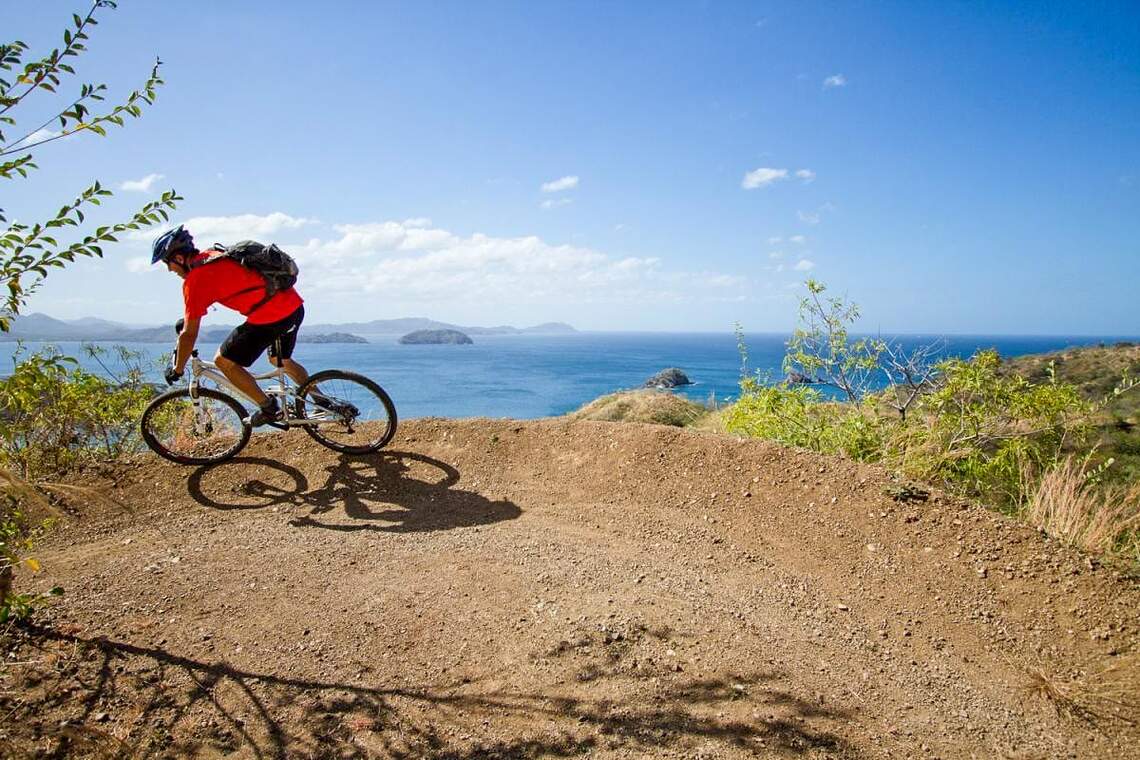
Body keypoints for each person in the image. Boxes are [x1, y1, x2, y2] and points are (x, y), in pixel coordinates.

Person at [152, 225, 307, 426]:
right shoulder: (214, 254)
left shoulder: (195, 280)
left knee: (224, 361)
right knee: (281, 360)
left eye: (167, 263)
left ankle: (269, 408)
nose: (169, 269)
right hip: (293, 306)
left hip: (271, 317)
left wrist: (178, 369)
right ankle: (324, 402)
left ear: (179, 259)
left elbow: (189, 334)